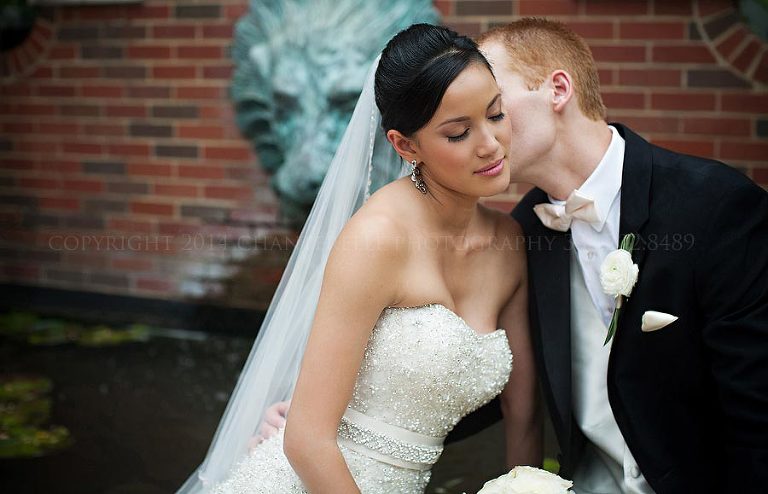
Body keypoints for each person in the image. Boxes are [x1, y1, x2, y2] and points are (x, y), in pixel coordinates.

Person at [178, 23, 541, 494]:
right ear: (405, 146)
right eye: (458, 133)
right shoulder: (376, 239)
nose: (491, 144)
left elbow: (525, 413)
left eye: (495, 114)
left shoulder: (509, 243)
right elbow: (307, 439)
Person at [469, 18, 767, 494]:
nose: (479, 134)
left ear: (557, 90)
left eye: (494, 107)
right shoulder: (525, 229)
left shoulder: (714, 206)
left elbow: (757, 417)